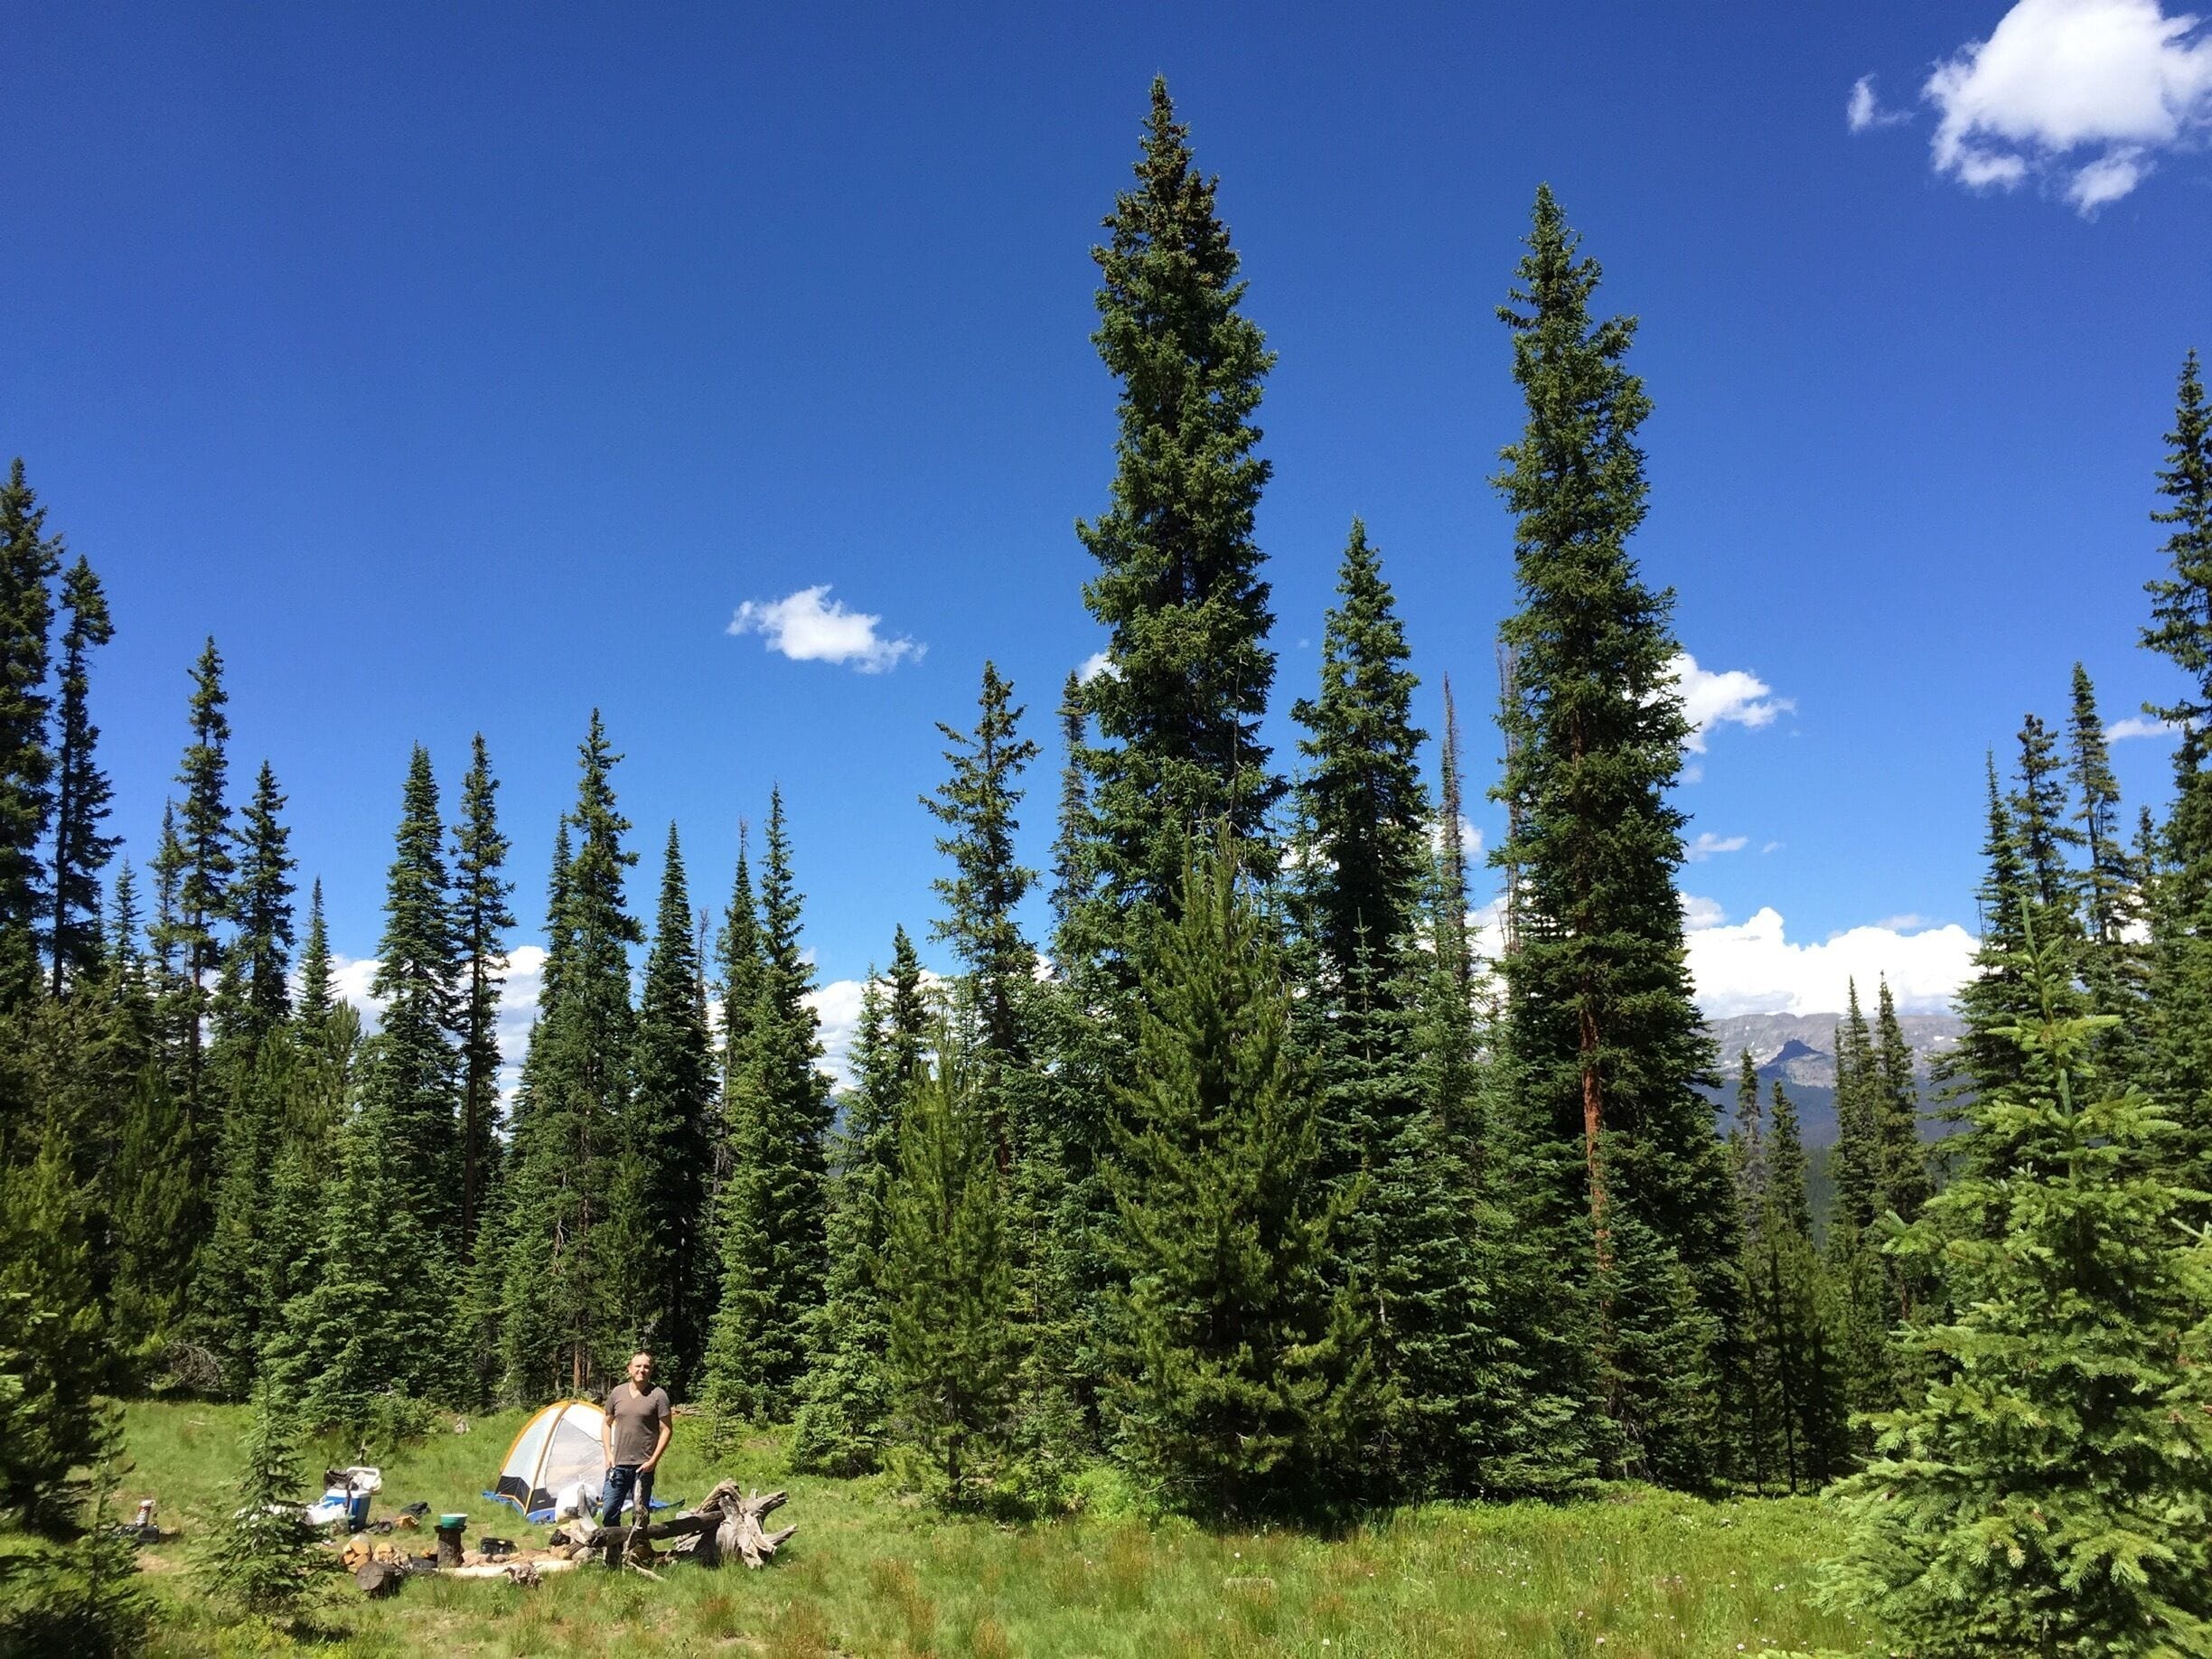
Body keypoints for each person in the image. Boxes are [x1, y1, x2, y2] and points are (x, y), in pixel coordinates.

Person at [600, 1352, 671, 1528]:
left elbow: (667, 1429)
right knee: (609, 1509)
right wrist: (608, 1453)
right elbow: (606, 1423)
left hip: (643, 1466)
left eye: (646, 1366)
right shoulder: (617, 1393)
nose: (642, 1370)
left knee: (640, 1513)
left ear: (651, 1370)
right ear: (630, 1369)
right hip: (618, 1464)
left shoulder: (658, 1395)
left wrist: (653, 1460)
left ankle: (636, 1550)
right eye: (638, 1366)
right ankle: (613, 1550)